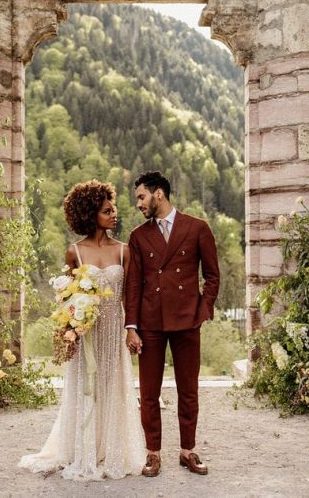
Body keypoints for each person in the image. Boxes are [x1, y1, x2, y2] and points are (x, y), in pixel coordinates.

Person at [19, 180, 146, 480]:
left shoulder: (124, 251)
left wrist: (131, 330)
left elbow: (131, 296)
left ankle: (110, 450)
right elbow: (66, 298)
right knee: (85, 389)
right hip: (85, 333)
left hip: (113, 332)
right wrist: (70, 331)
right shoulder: (73, 252)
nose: (114, 215)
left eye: (114, 209)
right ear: (90, 215)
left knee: (111, 388)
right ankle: (83, 451)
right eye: (106, 211)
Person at [124, 171, 220, 477]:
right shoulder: (138, 236)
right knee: (149, 392)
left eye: (141, 197)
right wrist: (131, 326)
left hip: (186, 320)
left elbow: (213, 275)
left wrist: (202, 308)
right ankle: (152, 453)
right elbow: (134, 285)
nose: (138, 203)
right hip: (150, 322)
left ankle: (188, 450)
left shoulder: (197, 228)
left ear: (159, 194)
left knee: (188, 389)